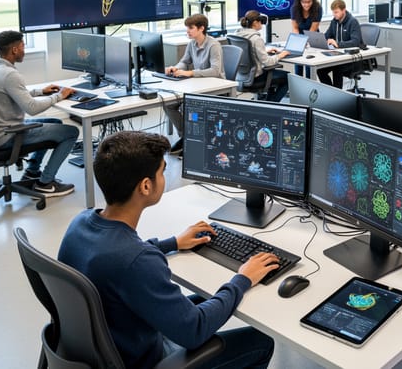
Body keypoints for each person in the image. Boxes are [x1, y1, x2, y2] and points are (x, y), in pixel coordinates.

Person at [58, 131, 276, 369]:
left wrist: (172, 242)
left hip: (115, 341)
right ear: (145, 185)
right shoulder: (137, 261)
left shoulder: (80, 222)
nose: (165, 176)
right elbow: (194, 331)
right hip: (145, 359)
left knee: (209, 296)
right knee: (261, 342)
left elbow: (119, 258)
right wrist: (242, 279)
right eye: (162, 171)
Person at [0, 30, 79, 197]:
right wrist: (59, 96)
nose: (24, 50)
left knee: (56, 124)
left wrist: (41, 91)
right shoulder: (10, 75)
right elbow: (32, 109)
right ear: (14, 50)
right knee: (71, 132)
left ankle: (32, 171)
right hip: (8, 135)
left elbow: (14, 94)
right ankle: (46, 183)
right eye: (23, 46)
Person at [162, 14, 224, 155]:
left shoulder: (213, 45)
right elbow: (185, 61)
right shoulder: (192, 44)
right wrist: (176, 68)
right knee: (168, 104)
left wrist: (190, 73)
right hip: (198, 85)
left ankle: (191, 140)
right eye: (187, 28)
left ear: (201, 28)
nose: (188, 31)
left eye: (191, 28)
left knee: (187, 106)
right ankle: (186, 137)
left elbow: (215, 70)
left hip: (216, 87)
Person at [237, 10, 291, 102]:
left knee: (274, 76)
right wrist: (281, 55)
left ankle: (268, 102)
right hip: (256, 77)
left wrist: (264, 51)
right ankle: (271, 103)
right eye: (260, 22)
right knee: (288, 77)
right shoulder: (256, 39)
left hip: (241, 76)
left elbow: (249, 52)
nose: (262, 24)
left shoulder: (238, 35)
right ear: (255, 23)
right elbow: (267, 63)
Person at [316, 0, 365, 89]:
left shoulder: (353, 22)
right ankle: (331, 93)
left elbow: (355, 42)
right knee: (320, 70)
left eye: (336, 12)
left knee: (337, 68)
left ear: (344, 10)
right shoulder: (334, 22)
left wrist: (338, 44)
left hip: (352, 59)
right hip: (338, 56)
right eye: (333, 13)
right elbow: (327, 36)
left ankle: (337, 95)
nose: (334, 15)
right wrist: (318, 40)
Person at [289, 0, 322, 77]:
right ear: (299, 1)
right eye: (304, 2)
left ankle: (309, 85)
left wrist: (306, 42)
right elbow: (295, 28)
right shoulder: (294, 9)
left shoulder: (317, 8)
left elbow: (313, 28)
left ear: (313, 1)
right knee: (298, 61)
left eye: (309, 2)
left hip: (312, 36)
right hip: (299, 35)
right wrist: (298, 43)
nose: (306, 4)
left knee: (309, 63)